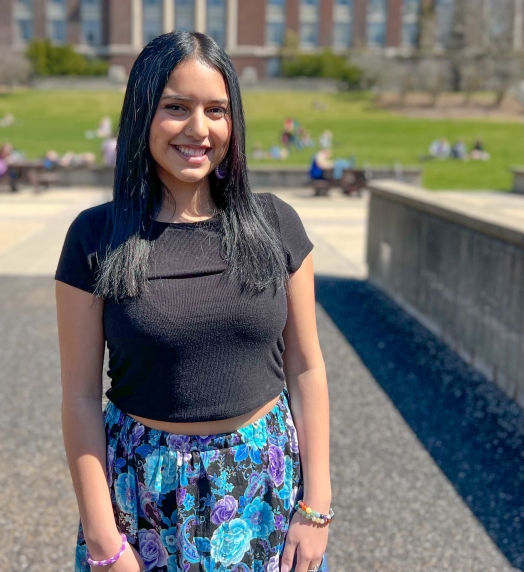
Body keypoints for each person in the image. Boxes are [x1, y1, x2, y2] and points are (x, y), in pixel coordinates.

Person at [56, 32, 332, 572]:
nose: (198, 129)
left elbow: (306, 368)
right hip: (141, 492)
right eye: (176, 108)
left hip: (264, 485)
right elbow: (80, 398)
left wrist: (317, 506)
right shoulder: (96, 236)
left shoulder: (275, 223)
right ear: (141, 114)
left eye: (216, 110)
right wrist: (102, 541)